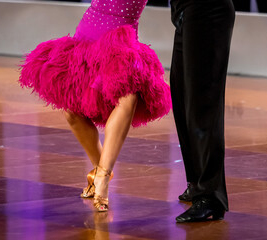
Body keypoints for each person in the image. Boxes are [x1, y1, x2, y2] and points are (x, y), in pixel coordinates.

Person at [19, 0, 171, 212]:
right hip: (89, 32)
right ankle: (98, 170)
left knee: (128, 97)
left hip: (120, 40)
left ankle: (102, 178)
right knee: (72, 111)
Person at [170, 0, 235, 222]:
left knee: (202, 104)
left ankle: (210, 197)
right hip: (186, 11)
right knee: (182, 99)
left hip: (206, 8)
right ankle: (197, 184)